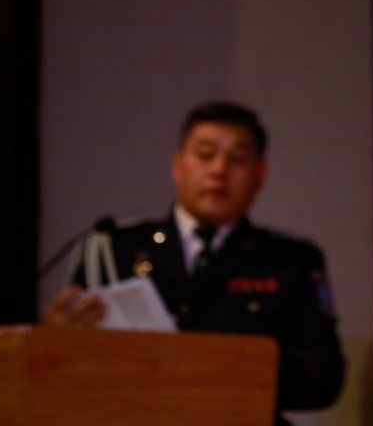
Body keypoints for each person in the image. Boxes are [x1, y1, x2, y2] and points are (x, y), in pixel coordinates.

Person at [43, 100, 345, 424]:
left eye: (237, 159)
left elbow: (325, 377)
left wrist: (220, 369)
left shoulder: (290, 259)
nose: (218, 170)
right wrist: (54, 340)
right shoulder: (112, 247)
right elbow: (63, 373)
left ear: (259, 174)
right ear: (178, 166)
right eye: (205, 155)